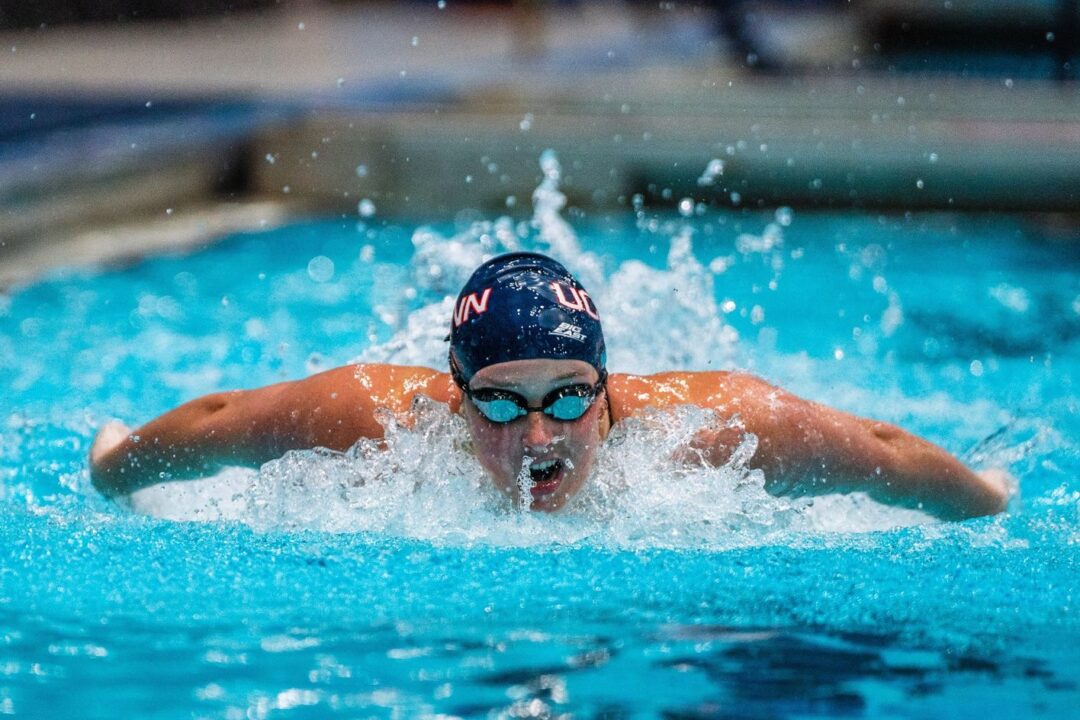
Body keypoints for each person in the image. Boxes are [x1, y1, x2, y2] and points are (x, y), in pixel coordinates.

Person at [90, 252, 1010, 519]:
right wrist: (116, 468)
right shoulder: (373, 419)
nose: (540, 439)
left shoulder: (714, 429)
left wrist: (985, 501)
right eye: (500, 401)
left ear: (607, 389)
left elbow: (880, 454)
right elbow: (226, 419)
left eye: (570, 397)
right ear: (455, 395)